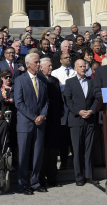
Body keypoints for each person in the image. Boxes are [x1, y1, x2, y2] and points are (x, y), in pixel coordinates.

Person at [14, 53, 49, 195]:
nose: (38, 64)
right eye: (35, 62)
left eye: (39, 62)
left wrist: (43, 115)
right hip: (25, 124)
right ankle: (23, 184)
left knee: (38, 154)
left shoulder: (42, 80)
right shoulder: (20, 80)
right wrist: (34, 117)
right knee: (23, 155)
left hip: (40, 123)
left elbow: (46, 101)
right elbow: (19, 102)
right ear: (28, 64)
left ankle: (35, 182)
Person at [64, 59, 99, 186]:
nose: (83, 68)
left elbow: (97, 98)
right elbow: (68, 100)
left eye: (85, 66)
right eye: (80, 66)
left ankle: (89, 175)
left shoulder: (92, 81)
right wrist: (78, 112)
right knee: (77, 149)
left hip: (90, 119)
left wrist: (92, 110)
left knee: (89, 149)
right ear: (75, 68)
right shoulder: (70, 82)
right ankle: (79, 177)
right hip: (76, 119)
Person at [39, 58, 64, 188]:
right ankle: (41, 180)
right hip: (43, 121)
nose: (51, 68)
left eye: (51, 66)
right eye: (48, 66)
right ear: (41, 67)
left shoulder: (54, 80)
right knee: (43, 152)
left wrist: (60, 112)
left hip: (54, 121)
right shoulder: (38, 79)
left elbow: (59, 99)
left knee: (53, 152)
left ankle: (53, 179)